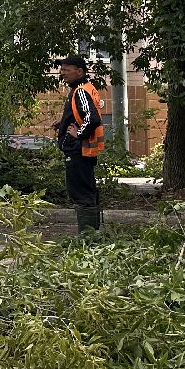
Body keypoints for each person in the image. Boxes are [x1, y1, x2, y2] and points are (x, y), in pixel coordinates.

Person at [52, 55, 104, 236]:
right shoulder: (84, 89)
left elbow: (92, 118)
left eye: (67, 70)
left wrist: (78, 134)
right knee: (87, 189)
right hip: (84, 150)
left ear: (80, 71)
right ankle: (93, 236)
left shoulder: (80, 91)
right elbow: (84, 115)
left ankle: (88, 238)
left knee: (80, 192)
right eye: (62, 69)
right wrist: (64, 123)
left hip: (78, 150)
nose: (62, 73)